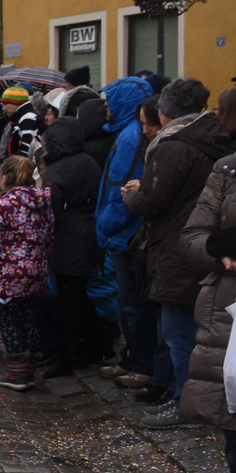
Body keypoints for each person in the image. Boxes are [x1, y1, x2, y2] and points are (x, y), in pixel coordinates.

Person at [122, 78, 223, 428]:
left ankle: (185, 403)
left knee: (178, 331)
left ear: (165, 111)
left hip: (178, 245)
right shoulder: (212, 133)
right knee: (199, 331)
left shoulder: (175, 144)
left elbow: (154, 199)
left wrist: (133, 195)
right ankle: (188, 399)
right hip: (200, 241)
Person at [177, 88, 236, 473]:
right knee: (235, 438)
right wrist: (218, 246)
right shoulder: (228, 169)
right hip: (232, 319)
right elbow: (192, 237)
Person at [96, 81, 164, 393]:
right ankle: (130, 359)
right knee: (128, 303)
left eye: (110, 101)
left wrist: (106, 226)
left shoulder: (131, 138)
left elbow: (120, 188)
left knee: (134, 303)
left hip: (126, 233)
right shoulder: (128, 133)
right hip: (123, 231)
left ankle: (140, 364)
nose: (106, 107)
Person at [0, 156, 55, 391]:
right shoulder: (43, 201)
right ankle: (29, 369)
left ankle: (16, 372)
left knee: (10, 320)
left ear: (4, 178)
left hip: (9, 273)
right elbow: (49, 234)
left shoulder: (2, 205)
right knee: (28, 318)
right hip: (36, 270)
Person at [38, 116, 106, 371]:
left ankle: (71, 355)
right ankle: (94, 347)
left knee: (70, 300)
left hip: (68, 239)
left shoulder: (57, 171)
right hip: (87, 235)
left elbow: (50, 210)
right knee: (78, 296)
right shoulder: (87, 161)